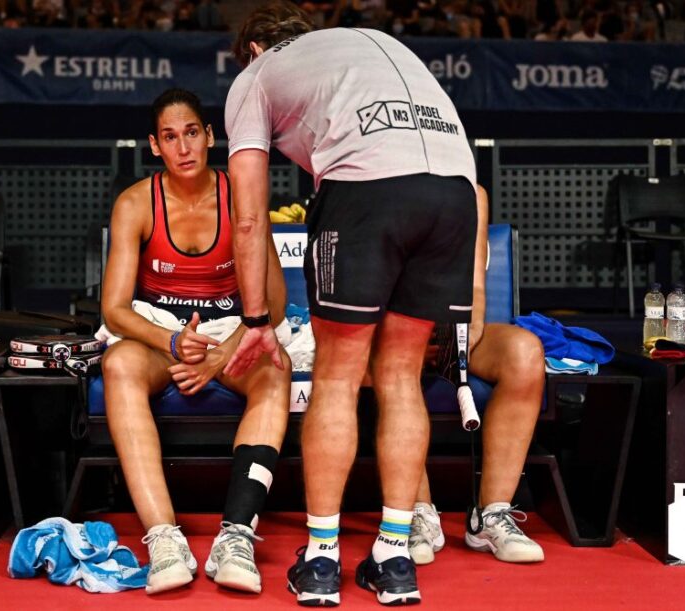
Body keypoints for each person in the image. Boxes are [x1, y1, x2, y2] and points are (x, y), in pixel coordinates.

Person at [224, 2, 477, 605]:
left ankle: (320, 560)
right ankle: (393, 559)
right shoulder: (367, 42)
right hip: (456, 193)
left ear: (255, 49)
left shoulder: (257, 75)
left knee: (338, 377)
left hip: (368, 192)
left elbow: (250, 216)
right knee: (400, 375)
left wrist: (257, 320)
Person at [100, 88, 291, 596]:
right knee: (118, 364)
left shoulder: (240, 194)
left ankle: (237, 536)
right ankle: (164, 537)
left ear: (209, 137)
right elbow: (114, 310)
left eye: (191, 133)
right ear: (154, 146)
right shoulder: (136, 203)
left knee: (275, 367)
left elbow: (274, 298)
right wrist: (170, 340)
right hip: (162, 334)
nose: (182, 147)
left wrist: (223, 354)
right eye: (169, 137)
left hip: (235, 331)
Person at [406, 185, 545, 566]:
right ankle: (414, 512)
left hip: (460, 331)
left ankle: (492, 515)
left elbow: (475, 290)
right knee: (392, 364)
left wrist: (458, 345)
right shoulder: (377, 186)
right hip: (398, 331)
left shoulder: (470, 193)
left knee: (525, 352)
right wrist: (412, 341)